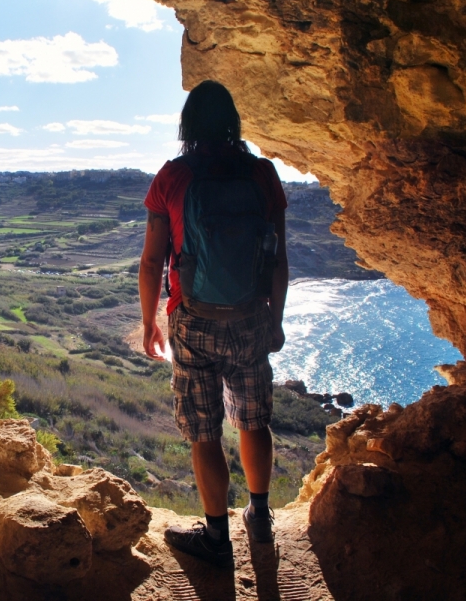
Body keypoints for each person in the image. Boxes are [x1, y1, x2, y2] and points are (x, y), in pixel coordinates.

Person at [139, 80, 289, 568]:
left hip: (194, 320)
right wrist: (276, 321)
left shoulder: (172, 176)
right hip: (250, 318)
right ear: (233, 122)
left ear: (187, 125)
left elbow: (150, 262)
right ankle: (260, 518)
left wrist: (150, 322)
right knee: (253, 418)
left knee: (204, 430)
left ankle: (217, 539)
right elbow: (278, 259)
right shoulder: (261, 174)